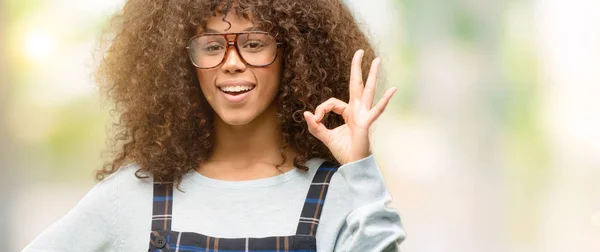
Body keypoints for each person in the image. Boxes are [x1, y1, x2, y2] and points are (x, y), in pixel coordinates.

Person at [23, 0, 405, 251]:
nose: (231, 62)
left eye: (254, 44)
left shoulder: (339, 192)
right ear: (181, 63)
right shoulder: (134, 196)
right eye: (210, 46)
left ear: (295, 56)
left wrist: (360, 168)